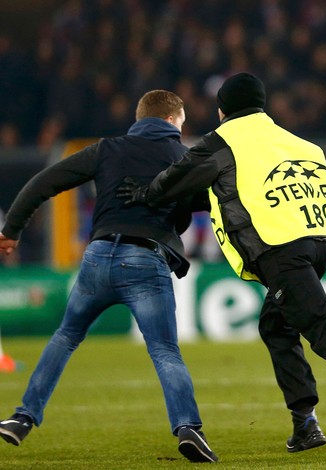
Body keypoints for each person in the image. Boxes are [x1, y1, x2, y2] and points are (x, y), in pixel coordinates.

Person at [117, 72, 326, 461]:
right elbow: (234, 193)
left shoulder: (222, 142)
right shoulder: (295, 142)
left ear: (223, 109)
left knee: (321, 326)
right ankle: (305, 422)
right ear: (260, 104)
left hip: (281, 251)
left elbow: (176, 180)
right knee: (276, 324)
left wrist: (143, 193)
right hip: (318, 245)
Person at [0, 90, 218, 463]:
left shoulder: (107, 149)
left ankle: (22, 418)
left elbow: (43, 183)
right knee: (165, 350)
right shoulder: (184, 158)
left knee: (66, 336)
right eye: (183, 120)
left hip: (98, 256)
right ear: (172, 120)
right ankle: (187, 429)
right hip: (146, 261)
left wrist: (12, 231)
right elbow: (207, 203)